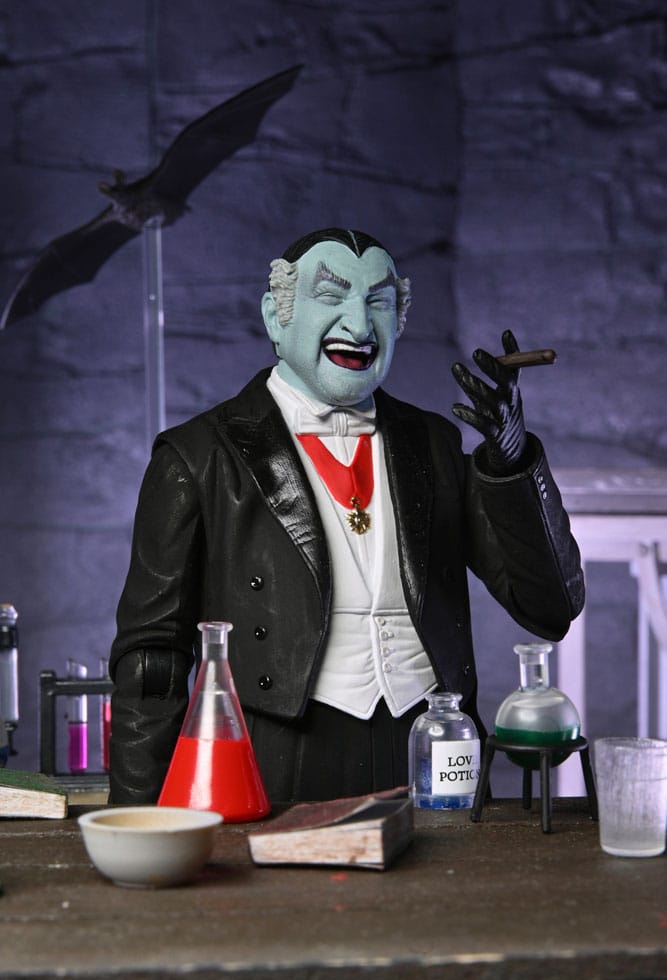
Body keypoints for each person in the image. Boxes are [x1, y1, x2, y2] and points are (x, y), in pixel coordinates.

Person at [108, 227, 584, 804]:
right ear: (276, 317)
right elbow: (153, 663)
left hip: (433, 751)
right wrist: (140, 820)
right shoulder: (198, 457)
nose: (359, 326)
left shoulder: (433, 444)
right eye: (332, 296)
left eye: (378, 302)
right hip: (277, 757)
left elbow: (549, 609)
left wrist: (511, 466)